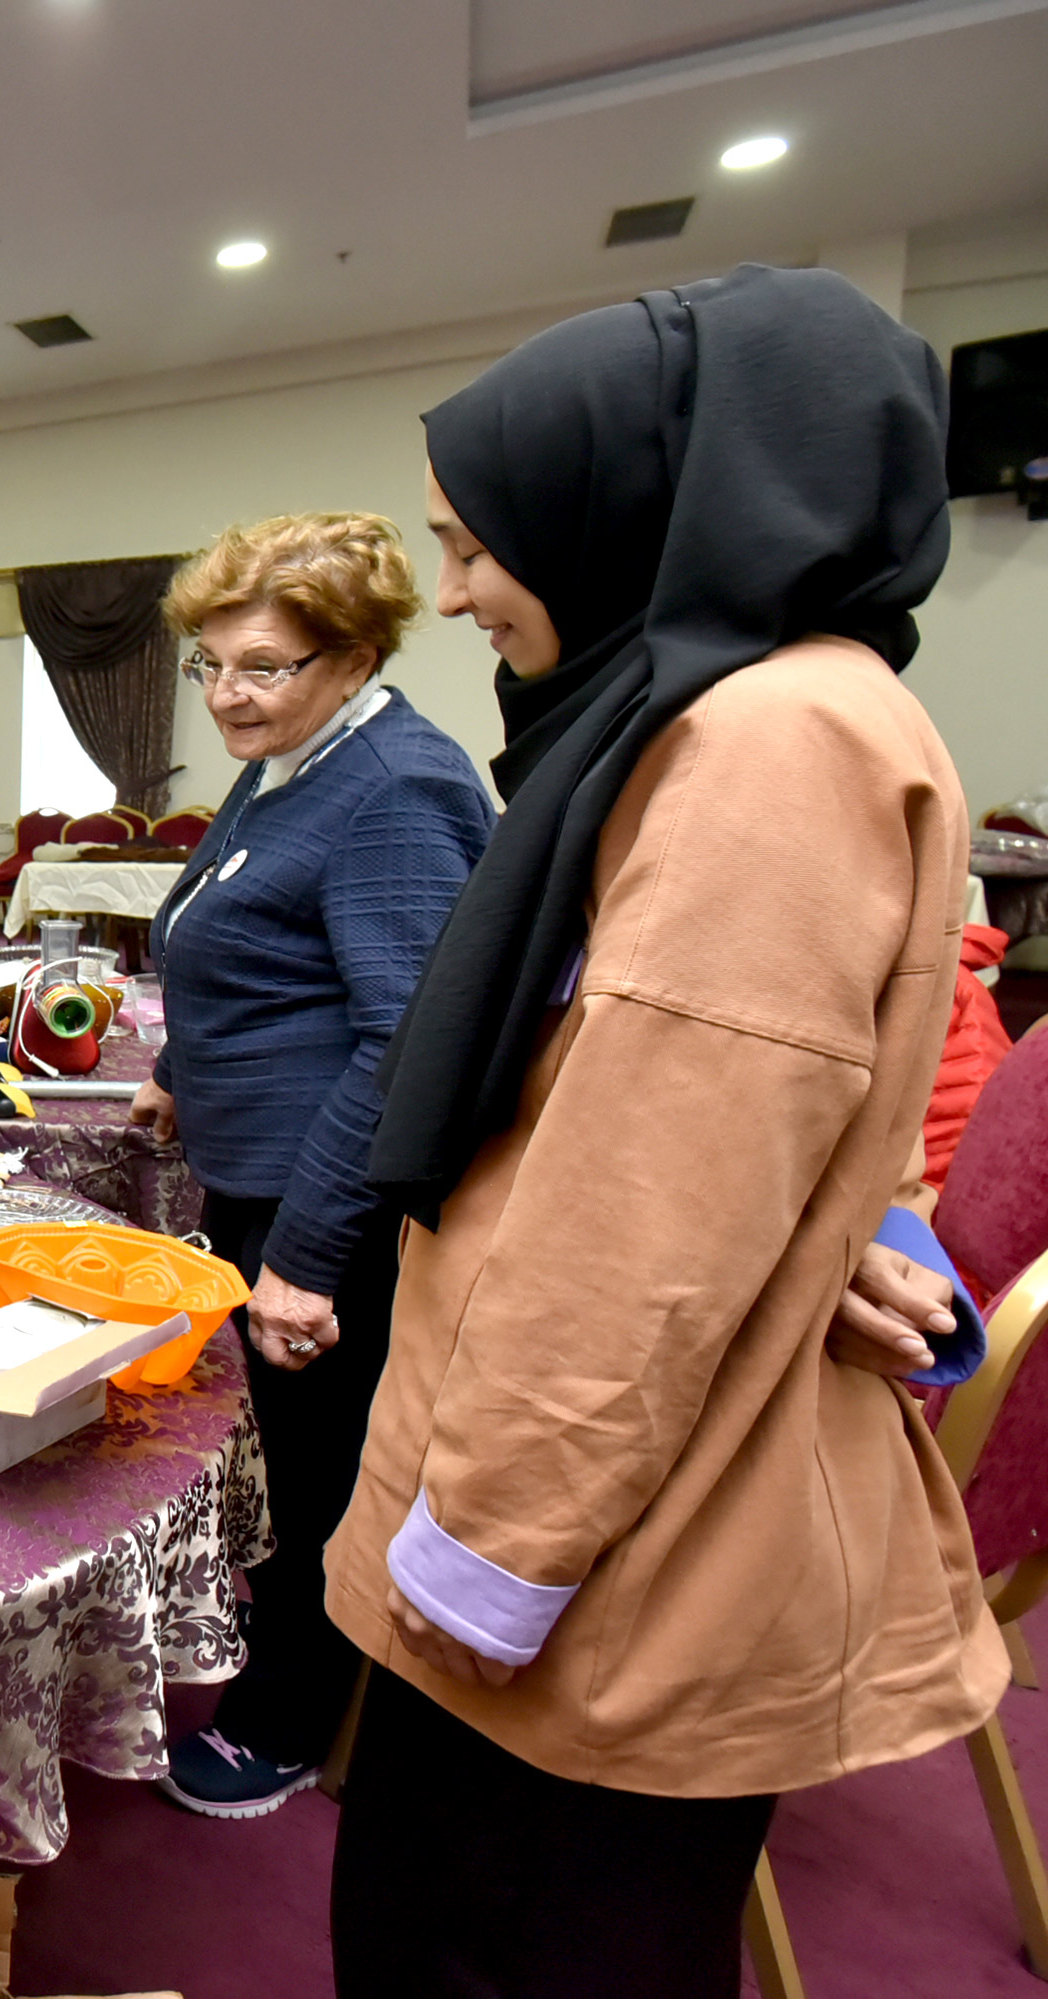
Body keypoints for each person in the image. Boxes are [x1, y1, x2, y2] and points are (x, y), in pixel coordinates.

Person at [324, 266, 1004, 1997]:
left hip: (581, 1569)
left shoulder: (769, 737)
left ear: (624, 496)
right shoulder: (733, 706)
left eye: (475, 541)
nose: (457, 587)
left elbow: (631, 1239)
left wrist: (471, 1571)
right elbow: (735, 1112)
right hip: (586, 1527)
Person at [108, 514, 494, 1818]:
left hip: (321, 1209)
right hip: (254, 1173)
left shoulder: (396, 782)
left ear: (352, 652)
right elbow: (247, 931)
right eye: (208, 663)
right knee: (272, 1456)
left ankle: (287, 1717)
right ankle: (273, 1655)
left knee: (321, 1475)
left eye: (260, 664)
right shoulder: (291, 755)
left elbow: (400, 1042)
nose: (225, 693)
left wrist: (304, 1258)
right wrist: (180, 1075)